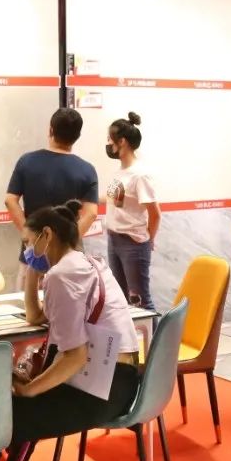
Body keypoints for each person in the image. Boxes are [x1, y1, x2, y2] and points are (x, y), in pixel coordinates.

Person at [0, 200, 142, 461]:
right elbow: (35, 316)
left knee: (3, 410)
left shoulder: (63, 275)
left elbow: (74, 357)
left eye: (28, 243)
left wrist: (30, 389)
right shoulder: (87, 264)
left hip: (99, 390)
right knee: (22, 399)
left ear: (46, 235)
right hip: (121, 382)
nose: (26, 251)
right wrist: (33, 271)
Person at [5, 107, 99, 289]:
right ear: (78, 136)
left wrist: (30, 237)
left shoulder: (27, 161)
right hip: (71, 258)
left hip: (33, 255)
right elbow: (91, 213)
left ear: (50, 130)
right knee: (71, 305)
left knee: (29, 304)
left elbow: (10, 200)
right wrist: (66, 242)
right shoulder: (87, 170)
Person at [104, 112, 160, 312]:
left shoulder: (140, 175)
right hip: (114, 239)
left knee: (140, 300)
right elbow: (114, 200)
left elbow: (155, 213)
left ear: (122, 142)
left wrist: (149, 239)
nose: (108, 143)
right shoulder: (120, 172)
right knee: (121, 299)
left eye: (110, 139)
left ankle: (155, 333)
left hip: (133, 243)